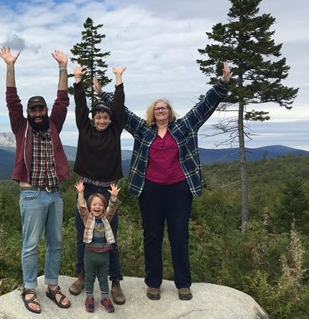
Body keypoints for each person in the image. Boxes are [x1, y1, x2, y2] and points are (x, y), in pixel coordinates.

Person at [100, 61, 232, 301]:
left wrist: (222, 84)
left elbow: (205, 106)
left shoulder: (184, 128)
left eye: (164, 108)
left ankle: (183, 283)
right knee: (152, 236)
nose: (161, 111)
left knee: (179, 235)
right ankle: (153, 283)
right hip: (150, 190)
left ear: (170, 112)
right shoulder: (143, 130)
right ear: (152, 113)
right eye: (157, 108)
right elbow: (124, 112)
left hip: (179, 190)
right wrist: (103, 93)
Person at [0, 46, 71, 314]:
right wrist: (10, 66)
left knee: (56, 243)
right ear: (29, 113)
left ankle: (52, 285)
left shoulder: (54, 125)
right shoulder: (21, 127)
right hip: (31, 194)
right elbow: (12, 100)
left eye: (41, 109)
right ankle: (30, 289)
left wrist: (63, 68)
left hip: (54, 193)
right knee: (30, 245)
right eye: (34, 110)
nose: (39, 113)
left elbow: (62, 100)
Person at [69, 66, 127, 306]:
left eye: (105, 117)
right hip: (86, 188)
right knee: (83, 235)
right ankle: (82, 275)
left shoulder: (115, 131)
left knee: (109, 236)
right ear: (93, 120)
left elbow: (120, 108)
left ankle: (115, 282)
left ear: (110, 119)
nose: (102, 120)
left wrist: (118, 80)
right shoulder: (85, 129)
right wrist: (78, 81)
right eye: (98, 117)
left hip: (107, 190)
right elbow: (80, 108)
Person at [75, 180, 120, 313]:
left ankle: (105, 298)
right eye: (94, 204)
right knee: (89, 277)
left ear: (103, 207)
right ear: (90, 206)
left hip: (104, 255)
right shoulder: (87, 218)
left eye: (100, 204)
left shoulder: (106, 218)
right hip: (89, 255)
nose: (97, 207)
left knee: (103, 277)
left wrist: (114, 197)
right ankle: (89, 297)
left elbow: (112, 208)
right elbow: (81, 206)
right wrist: (81, 192)